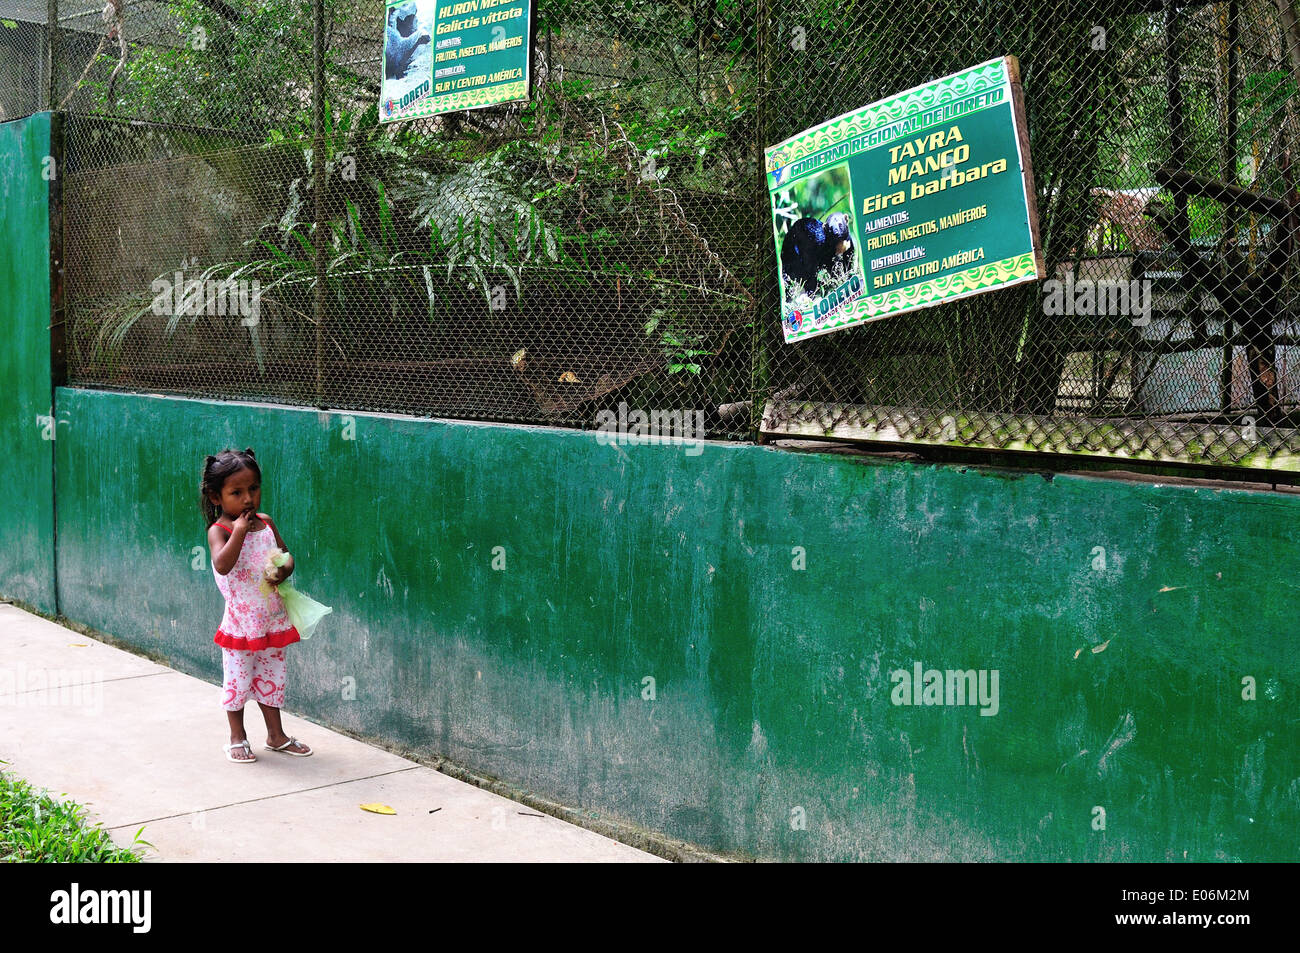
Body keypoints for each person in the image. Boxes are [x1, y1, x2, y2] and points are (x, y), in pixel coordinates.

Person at [200, 448, 313, 763]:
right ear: (216, 497)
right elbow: (223, 565)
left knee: (273, 679)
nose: (248, 499)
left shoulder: (266, 523)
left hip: (271, 622)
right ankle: (237, 737)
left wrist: (283, 569)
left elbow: (286, 555)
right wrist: (237, 531)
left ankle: (276, 735)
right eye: (236, 492)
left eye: (253, 489)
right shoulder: (218, 531)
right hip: (240, 625)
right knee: (237, 681)